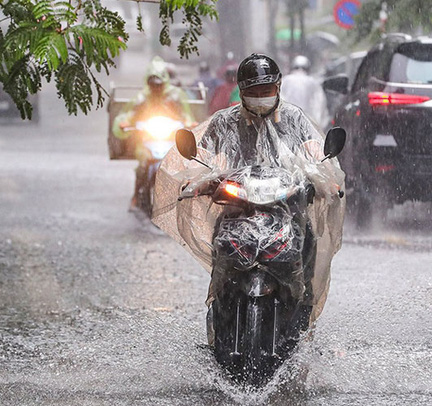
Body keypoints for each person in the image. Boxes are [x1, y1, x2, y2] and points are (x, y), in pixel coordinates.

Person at [152, 53, 345, 326]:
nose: (260, 96)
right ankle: (220, 304)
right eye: (253, 91)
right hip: (238, 202)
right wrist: (198, 179)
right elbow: (206, 157)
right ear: (241, 92)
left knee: (309, 237)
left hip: (286, 203)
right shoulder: (224, 122)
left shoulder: (294, 118)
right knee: (222, 239)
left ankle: (303, 305)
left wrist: (324, 177)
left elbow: (313, 150)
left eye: (265, 90)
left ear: (278, 88)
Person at [113, 56, 195, 211]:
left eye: (159, 84)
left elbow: (186, 116)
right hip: (147, 141)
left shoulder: (176, 96)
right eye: (153, 85)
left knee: (184, 166)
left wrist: (190, 124)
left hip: (171, 140)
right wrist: (125, 123)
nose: (156, 88)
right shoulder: (141, 98)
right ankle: (137, 195)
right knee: (143, 165)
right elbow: (128, 115)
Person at [280, 55, 328, 129]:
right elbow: (319, 104)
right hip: (307, 125)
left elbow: (280, 100)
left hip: (287, 123)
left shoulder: (285, 80)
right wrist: (318, 125)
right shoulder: (313, 82)